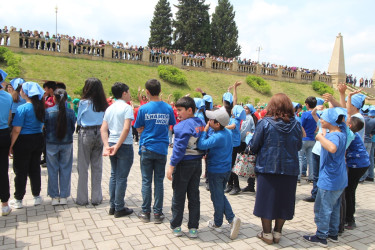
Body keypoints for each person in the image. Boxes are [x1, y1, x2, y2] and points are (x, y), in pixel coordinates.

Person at [249, 93, 302, 245]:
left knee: (266, 202)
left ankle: (267, 234)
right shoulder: (296, 124)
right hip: (289, 169)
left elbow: (254, 146)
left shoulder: (264, 123)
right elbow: (298, 146)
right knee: (284, 202)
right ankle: (278, 232)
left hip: (267, 168)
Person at [303, 108, 347, 247]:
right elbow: (342, 119)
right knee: (334, 207)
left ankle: (321, 236)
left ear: (331, 121)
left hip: (329, 180)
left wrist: (320, 137)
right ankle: (333, 234)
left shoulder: (333, 137)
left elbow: (332, 148)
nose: (321, 120)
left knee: (323, 208)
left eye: (323, 118)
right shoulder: (342, 131)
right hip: (339, 178)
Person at [134, 79, 176, 223]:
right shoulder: (168, 108)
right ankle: (157, 214)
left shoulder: (143, 108)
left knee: (146, 181)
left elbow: (138, 127)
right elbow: (172, 125)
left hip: (146, 147)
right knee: (158, 181)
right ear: (160, 90)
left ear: (147, 92)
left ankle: (145, 212)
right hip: (161, 149)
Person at [197, 107, 241, 240]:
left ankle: (230, 219)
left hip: (216, 171)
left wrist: (204, 131)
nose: (208, 121)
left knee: (218, 196)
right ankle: (218, 222)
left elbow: (202, 145)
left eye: (211, 120)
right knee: (218, 195)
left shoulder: (218, 136)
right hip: (225, 169)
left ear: (217, 124)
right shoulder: (226, 132)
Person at [166, 97, 205, 238]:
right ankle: (193, 227)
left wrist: (171, 166)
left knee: (178, 196)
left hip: (183, 164)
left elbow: (179, 149)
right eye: (177, 110)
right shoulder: (200, 122)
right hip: (197, 163)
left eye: (180, 110)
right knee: (194, 195)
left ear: (190, 110)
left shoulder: (182, 126)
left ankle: (176, 226)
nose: (177, 113)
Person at [100, 82, 134, 218]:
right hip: (123, 145)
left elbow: (103, 128)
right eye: (129, 91)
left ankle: (113, 206)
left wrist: (107, 145)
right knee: (121, 177)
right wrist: (118, 145)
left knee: (114, 175)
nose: (130, 94)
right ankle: (119, 207)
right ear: (124, 93)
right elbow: (126, 128)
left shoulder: (110, 108)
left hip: (112, 142)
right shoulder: (127, 108)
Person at [9, 82, 45, 209]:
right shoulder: (41, 107)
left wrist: (11, 145)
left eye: (22, 90)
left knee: (20, 170)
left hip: (24, 140)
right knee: (35, 168)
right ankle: (36, 196)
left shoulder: (22, 108)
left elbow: (16, 130)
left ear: (25, 93)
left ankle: (18, 199)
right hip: (38, 139)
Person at [76, 78, 108, 206]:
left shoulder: (83, 103)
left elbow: (78, 121)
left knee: (83, 166)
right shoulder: (103, 104)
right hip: (100, 133)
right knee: (97, 166)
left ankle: (82, 199)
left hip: (86, 133)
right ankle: (96, 198)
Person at [45, 89, 76, 206]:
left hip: (51, 143)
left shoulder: (48, 112)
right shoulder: (71, 112)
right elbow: (73, 128)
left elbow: (46, 127)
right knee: (65, 169)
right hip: (67, 143)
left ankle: (54, 196)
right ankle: (64, 196)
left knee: (52, 169)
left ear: (54, 98)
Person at [0, 69, 12, 216]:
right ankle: (4, 204)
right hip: (3, 133)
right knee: (3, 170)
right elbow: (9, 117)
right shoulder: (7, 97)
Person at [299, 96, 318, 182]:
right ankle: (311, 177)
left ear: (307, 104)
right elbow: (318, 127)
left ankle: (298, 177)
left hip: (304, 139)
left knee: (300, 157)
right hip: (312, 139)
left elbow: (301, 125)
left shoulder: (305, 114)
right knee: (310, 159)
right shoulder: (317, 114)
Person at [241, 104, 258, 192]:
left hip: (246, 142)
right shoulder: (248, 117)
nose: (245, 110)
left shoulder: (249, 118)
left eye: (246, 108)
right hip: (248, 141)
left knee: (249, 162)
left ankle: (251, 184)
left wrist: (240, 138)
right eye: (244, 108)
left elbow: (244, 131)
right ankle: (250, 183)